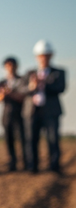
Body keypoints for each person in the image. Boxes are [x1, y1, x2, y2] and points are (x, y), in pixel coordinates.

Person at [27, 40, 66, 174]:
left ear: (50, 56)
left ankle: (54, 167)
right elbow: (24, 90)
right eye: (41, 55)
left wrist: (44, 83)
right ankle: (33, 167)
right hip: (33, 111)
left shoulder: (59, 72)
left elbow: (60, 88)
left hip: (51, 111)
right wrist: (32, 86)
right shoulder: (30, 73)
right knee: (32, 139)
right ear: (37, 57)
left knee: (53, 139)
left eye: (46, 55)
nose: (43, 58)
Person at [0, 57, 27, 171]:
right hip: (6, 114)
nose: (10, 68)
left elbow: (24, 96)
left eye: (12, 65)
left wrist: (11, 94)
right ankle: (12, 163)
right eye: (7, 66)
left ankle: (26, 163)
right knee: (8, 140)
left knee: (23, 139)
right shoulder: (2, 82)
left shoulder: (22, 80)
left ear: (16, 66)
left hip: (20, 114)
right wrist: (2, 96)